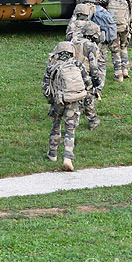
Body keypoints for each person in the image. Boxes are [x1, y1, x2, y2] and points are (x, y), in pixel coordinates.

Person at [42, 41, 92, 171]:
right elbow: (88, 83)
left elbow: (45, 88)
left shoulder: (52, 67)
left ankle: (52, 154)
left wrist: (51, 101)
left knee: (56, 125)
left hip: (58, 101)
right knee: (70, 129)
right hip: (74, 102)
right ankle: (68, 157)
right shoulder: (78, 65)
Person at [102, 0, 132, 81]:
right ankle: (125, 70)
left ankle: (118, 75)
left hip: (112, 28)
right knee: (123, 48)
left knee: (115, 51)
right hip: (125, 27)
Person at [72, 23, 105, 130]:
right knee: (89, 97)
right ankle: (92, 120)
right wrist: (96, 80)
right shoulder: (90, 46)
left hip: (72, 74)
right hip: (84, 75)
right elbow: (93, 66)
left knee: (75, 98)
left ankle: (73, 121)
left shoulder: (74, 42)